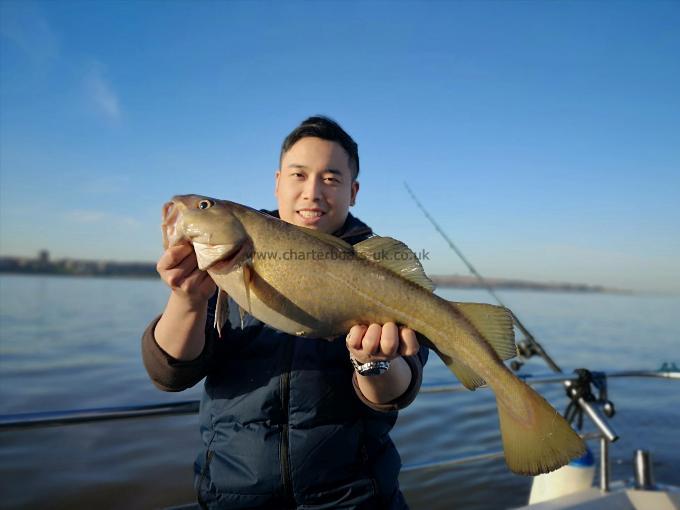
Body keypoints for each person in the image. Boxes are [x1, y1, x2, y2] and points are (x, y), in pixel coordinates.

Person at [142, 116, 429, 509]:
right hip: (232, 496)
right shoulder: (227, 259)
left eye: (331, 178)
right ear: (277, 182)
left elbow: (398, 391)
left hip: (355, 499)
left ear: (354, 190)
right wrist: (188, 299)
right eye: (299, 175)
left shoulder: (382, 273)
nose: (312, 192)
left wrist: (373, 364)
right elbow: (171, 373)